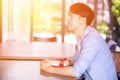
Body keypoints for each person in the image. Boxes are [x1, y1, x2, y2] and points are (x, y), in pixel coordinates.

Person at [40, 2, 118, 80]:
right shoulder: (83, 37)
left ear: (82, 20)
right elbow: (74, 60)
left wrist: (49, 69)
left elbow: (76, 72)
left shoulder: (92, 40)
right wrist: (52, 61)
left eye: (71, 16)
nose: (68, 19)